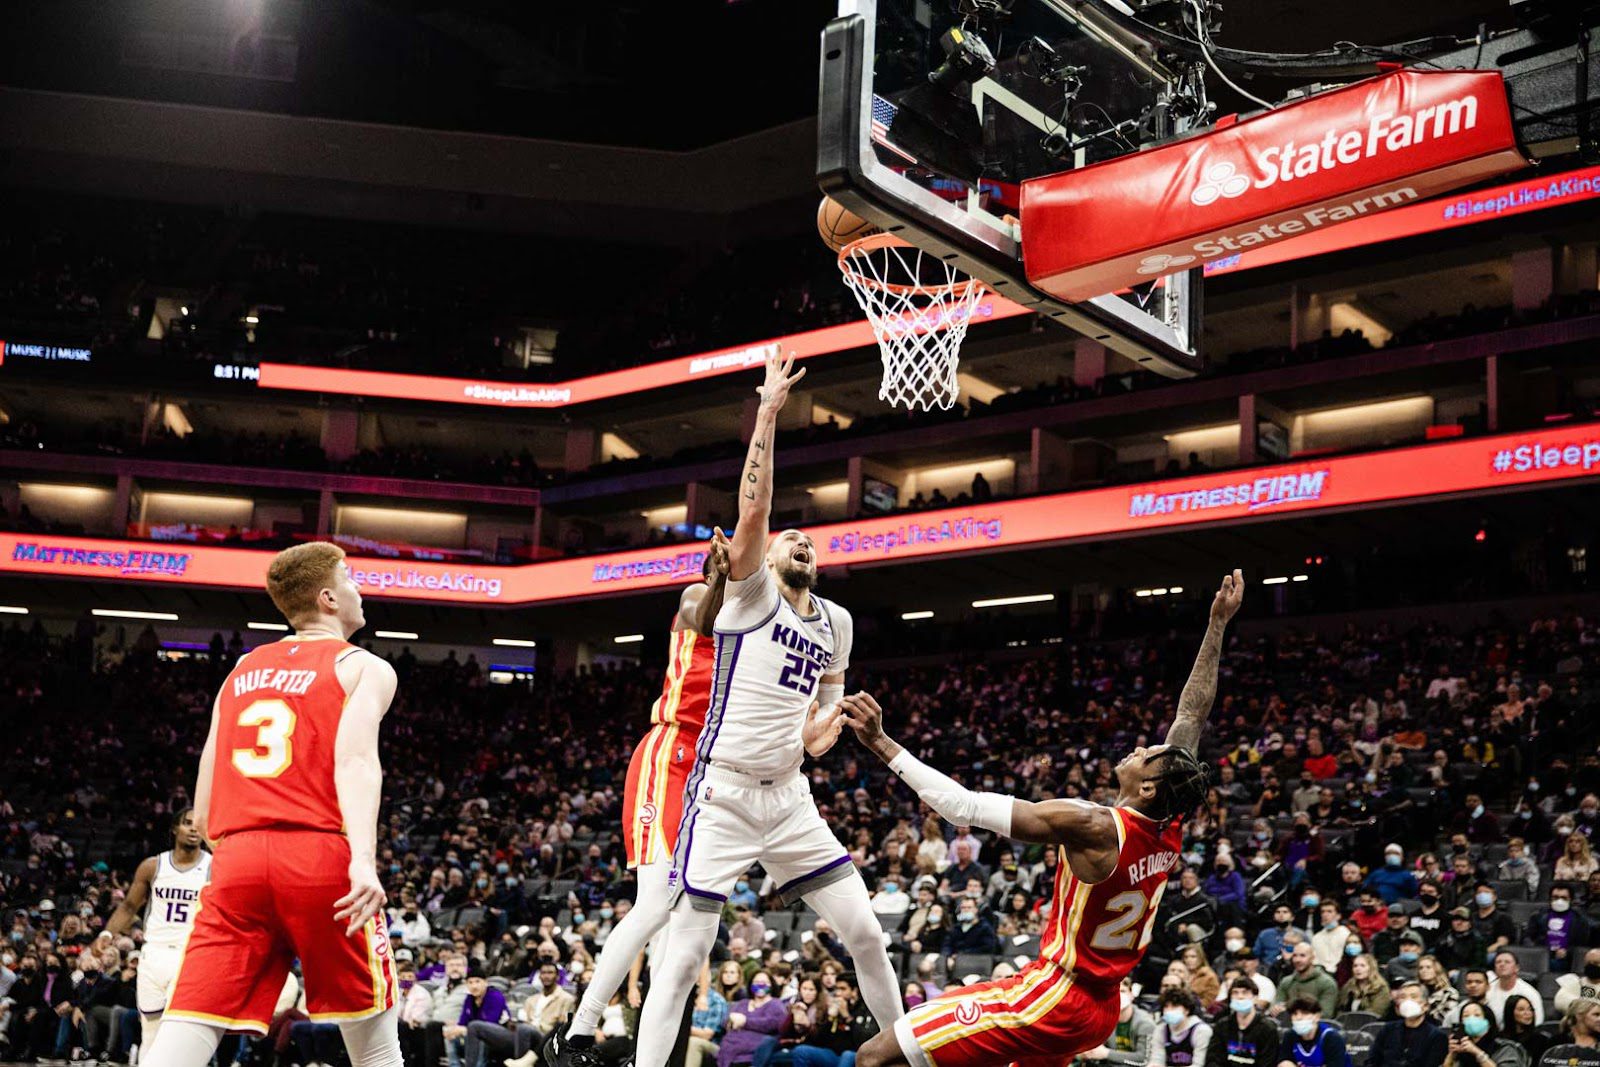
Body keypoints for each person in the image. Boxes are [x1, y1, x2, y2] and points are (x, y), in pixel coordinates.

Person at [612, 351, 903, 1067]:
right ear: (763, 562)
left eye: (808, 540)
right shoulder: (751, 597)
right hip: (724, 792)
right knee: (682, 960)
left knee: (866, 932)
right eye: (787, 539)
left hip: (790, 796)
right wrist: (768, 412)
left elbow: (816, 735)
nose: (798, 540)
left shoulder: (837, 622)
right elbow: (755, 508)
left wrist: (833, 728)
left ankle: (905, 1055)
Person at [844, 569, 1244, 1067]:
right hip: (1102, 1005)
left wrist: (882, 744)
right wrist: (1217, 624)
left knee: (874, 1056)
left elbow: (961, 807)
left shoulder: (1094, 825)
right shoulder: (1171, 819)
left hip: (1057, 996)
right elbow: (1191, 717)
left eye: (1148, 752)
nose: (1141, 745)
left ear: (1146, 786)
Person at [148, 542, 401, 1067]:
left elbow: (208, 773)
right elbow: (354, 763)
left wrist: (224, 845)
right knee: (374, 1042)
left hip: (237, 856)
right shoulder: (363, 667)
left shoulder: (243, 667)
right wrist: (362, 860)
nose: (360, 589)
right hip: (318, 856)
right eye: (350, 579)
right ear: (329, 598)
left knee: (190, 1021)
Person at [544, 533, 730, 1063]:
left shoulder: (753, 634)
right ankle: (575, 1032)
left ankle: (653, 1056)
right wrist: (722, 573)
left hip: (708, 773)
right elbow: (711, 605)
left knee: (682, 927)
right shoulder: (698, 597)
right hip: (667, 754)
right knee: (656, 902)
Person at [96, 809, 211, 1054]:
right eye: (187, 823)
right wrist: (107, 934)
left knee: (180, 1029)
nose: (193, 829)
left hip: (191, 955)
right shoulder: (153, 866)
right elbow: (128, 906)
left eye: (198, 824)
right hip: (154, 955)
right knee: (150, 1032)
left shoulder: (215, 867)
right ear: (174, 829)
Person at [792, 971, 878, 1067]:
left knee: (847, 1055)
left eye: (843, 989)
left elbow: (865, 1041)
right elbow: (819, 1040)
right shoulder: (835, 1006)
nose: (838, 993)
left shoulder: (866, 1009)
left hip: (856, 1055)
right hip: (834, 1054)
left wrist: (847, 1017)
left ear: (854, 991)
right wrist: (830, 1018)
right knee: (801, 1051)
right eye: (837, 989)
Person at [1081, 977, 1156, 1067]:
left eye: (1123, 991)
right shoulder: (1104, 1018)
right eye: (1115, 992)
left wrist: (1106, 1053)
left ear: (1131, 995)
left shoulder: (1145, 1023)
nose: (1119, 996)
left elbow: (1143, 1059)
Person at [1204, 977, 1279, 1067]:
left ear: (1255, 997)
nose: (1240, 996)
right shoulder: (1222, 1026)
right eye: (1235, 993)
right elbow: (1213, 1059)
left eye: (1245, 992)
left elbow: (1268, 1063)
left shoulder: (1268, 1029)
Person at [1368, 983, 1446, 1067]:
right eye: (1403, 997)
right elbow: (1373, 1061)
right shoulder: (1387, 1030)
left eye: (1413, 997)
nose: (1408, 1001)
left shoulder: (1436, 1036)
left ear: (1425, 1006)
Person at [1527, 884, 1592, 975]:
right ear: (1550, 899)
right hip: (1542, 955)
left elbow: (1582, 945)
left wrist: (1568, 952)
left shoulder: (1580, 920)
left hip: (1567, 959)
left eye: (1564, 898)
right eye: (1555, 897)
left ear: (1571, 900)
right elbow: (1529, 938)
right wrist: (1543, 951)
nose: (1559, 901)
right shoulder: (1538, 916)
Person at [1445, 1002, 1524, 1067]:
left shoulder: (1504, 1047)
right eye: (1466, 1016)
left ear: (1488, 1022)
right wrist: (1452, 1055)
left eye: (1477, 1015)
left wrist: (1477, 1052)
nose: (1471, 1019)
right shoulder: (1462, 1049)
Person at [1278, 996, 1350, 1067]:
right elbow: (1284, 1062)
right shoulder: (1290, 1035)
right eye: (1294, 1014)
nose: (1298, 1018)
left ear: (1317, 1017)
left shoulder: (1331, 1038)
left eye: (1305, 1013)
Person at [1272, 942, 1338, 1019]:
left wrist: (1296, 1015)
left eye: (1302, 956)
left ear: (1312, 958)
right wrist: (1276, 1009)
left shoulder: (1327, 983)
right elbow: (1277, 1006)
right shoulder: (1286, 982)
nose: (1297, 960)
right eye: (1294, 956)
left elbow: (1326, 1014)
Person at [1149, 990, 1211, 1067]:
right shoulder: (1161, 1029)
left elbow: (1199, 1064)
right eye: (1166, 1007)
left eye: (1174, 1006)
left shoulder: (1201, 1031)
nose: (1169, 1011)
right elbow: (1157, 1060)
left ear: (1187, 1010)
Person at [1484, 953, 1542, 1027]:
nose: (1502, 964)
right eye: (1498, 962)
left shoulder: (1530, 993)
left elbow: (1537, 1022)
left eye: (1507, 962)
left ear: (1516, 968)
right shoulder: (1487, 989)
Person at [1498, 995, 1551, 1064]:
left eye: (1530, 1009)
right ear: (1510, 1012)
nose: (1528, 1013)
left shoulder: (1540, 1040)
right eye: (1521, 1009)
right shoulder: (1499, 1039)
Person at [1339, 953, 1392, 1018]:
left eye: (1362, 966)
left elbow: (1377, 1011)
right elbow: (1340, 1009)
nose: (1358, 969)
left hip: (1370, 1024)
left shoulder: (1381, 988)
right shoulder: (1348, 986)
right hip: (1347, 1024)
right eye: (1355, 966)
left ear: (1371, 968)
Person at [1416, 956, 1461, 1025]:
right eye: (1421, 968)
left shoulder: (1449, 993)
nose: (1424, 970)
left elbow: (1448, 1017)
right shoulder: (1415, 992)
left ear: (1436, 970)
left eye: (1428, 967)